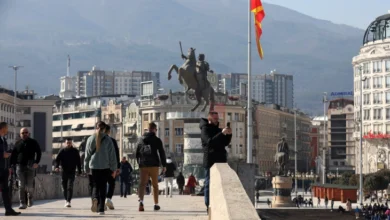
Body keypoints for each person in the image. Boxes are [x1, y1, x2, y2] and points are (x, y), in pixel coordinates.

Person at [200, 111, 232, 213]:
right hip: (210, 160)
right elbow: (210, 142)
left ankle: (218, 203)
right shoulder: (205, 130)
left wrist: (228, 135)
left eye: (217, 118)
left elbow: (225, 143)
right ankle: (208, 205)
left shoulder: (218, 130)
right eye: (215, 119)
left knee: (220, 184)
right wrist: (221, 133)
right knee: (208, 183)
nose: (217, 120)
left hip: (221, 161)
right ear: (209, 119)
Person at [84, 121, 117, 215]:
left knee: (95, 185)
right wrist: (114, 168)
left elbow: (87, 155)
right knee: (102, 187)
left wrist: (86, 167)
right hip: (105, 166)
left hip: (93, 166)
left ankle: (94, 198)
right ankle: (101, 208)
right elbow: (112, 156)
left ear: (96, 128)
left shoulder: (90, 139)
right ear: (104, 129)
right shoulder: (108, 140)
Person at [136, 122, 167, 212]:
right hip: (154, 165)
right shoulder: (156, 139)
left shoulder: (140, 139)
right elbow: (162, 153)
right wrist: (164, 165)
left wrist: (139, 163)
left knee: (142, 184)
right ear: (154, 129)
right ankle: (155, 204)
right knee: (155, 185)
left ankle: (141, 202)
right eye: (156, 130)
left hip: (143, 165)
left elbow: (136, 153)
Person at [10, 127, 41, 209]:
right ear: (20, 134)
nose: (24, 134)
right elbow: (13, 155)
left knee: (30, 185)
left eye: (26, 132)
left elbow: (39, 152)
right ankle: (22, 202)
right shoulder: (17, 143)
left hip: (30, 166)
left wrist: (36, 162)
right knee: (21, 185)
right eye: (22, 133)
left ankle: (30, 198)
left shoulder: (33, 142)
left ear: (28, 133)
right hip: (19, 166)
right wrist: (11, 165)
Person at [0, 122, 21, 216]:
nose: (8, 129)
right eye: (7, 128)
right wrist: (2, 155)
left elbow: (5, 153)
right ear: (3, 128)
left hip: (4, 169)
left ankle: (8, 210)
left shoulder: (3, 139)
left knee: (5, 190)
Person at [55, 138, 82, 208]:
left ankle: (68, 201)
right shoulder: (62, 151)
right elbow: (57, 160)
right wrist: (56, 167)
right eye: (67, 143)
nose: (68, 144)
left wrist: (79, 171)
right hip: (64, 171)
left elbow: (78, 162)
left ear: (71, 143)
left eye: (70, 143)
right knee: (64, 187)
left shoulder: (75, 151)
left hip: (72, 171)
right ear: (65, 143)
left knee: (70, 186)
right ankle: (66, 199)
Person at [104, 125, 120, 210]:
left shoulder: (98, 140)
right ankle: (108, 198)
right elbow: (117, 155)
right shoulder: (113, 141)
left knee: (101, 184)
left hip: (100, 166)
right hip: (111, 166)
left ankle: (101, 201)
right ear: (109, 131)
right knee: (111, 183)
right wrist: (117, 167)